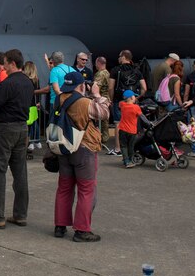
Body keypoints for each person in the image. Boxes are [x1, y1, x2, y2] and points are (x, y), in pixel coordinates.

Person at [52, 70, 111, 242]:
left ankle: (60, 226)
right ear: (81, 85)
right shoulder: (84, 102)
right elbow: (105, 114)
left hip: (64, 147)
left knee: (64, 188)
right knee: (86, 189)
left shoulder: (59, 99)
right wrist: (98, 94)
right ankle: (82, 230)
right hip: (84, 148)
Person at [0, 49, 33, 228]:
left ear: (12, 63)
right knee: (20, 173)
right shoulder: (27, 82)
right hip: (22, 127)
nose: (2, 66)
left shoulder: (8, 83)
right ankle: (20, 214)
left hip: (4, 128)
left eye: (4, 63)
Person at [117, 90, 146, 168]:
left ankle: (126, 161)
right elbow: (142, 117)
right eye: (134, 96)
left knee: (123, 146)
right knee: (131, 146)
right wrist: (149, 123)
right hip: (132, 131)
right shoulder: (136, 107)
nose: (135, 98)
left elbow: (120, 102)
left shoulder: (122, 105)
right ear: (131, 98)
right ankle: (130, 159)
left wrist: (126, 98)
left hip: (122, 129)